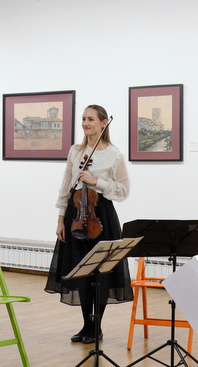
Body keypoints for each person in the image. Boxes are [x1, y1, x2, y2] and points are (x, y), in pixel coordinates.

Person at [45, 104, 132, 344]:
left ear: (103, 123)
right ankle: (86, 325)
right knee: (81, 270)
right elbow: (66, 186)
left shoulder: (114, 154)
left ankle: (97, 327)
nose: (85, 123)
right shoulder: (75, 151)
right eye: (83, 119)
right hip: (75, 214)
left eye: (91, 119)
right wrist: (61, 218)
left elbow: (123, 190)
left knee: (100, 272)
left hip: (100, 215)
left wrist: (97, 182)